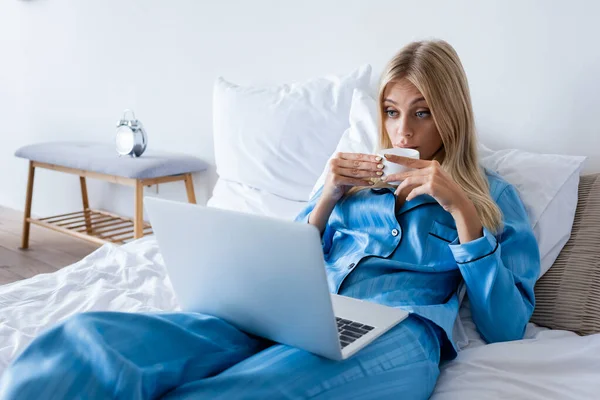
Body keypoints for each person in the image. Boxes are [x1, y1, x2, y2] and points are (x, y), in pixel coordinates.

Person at [0, 40, 540, 400]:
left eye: (421, 112)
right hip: (294, 313)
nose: (403, 132)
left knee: (255, 391)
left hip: (399, 333)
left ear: (452, 113)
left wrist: (464, 214)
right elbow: (284, 259)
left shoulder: (490, 197)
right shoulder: (358, 181)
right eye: (392, 112)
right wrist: (328, 195)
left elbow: (505, 327)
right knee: (94, 341)